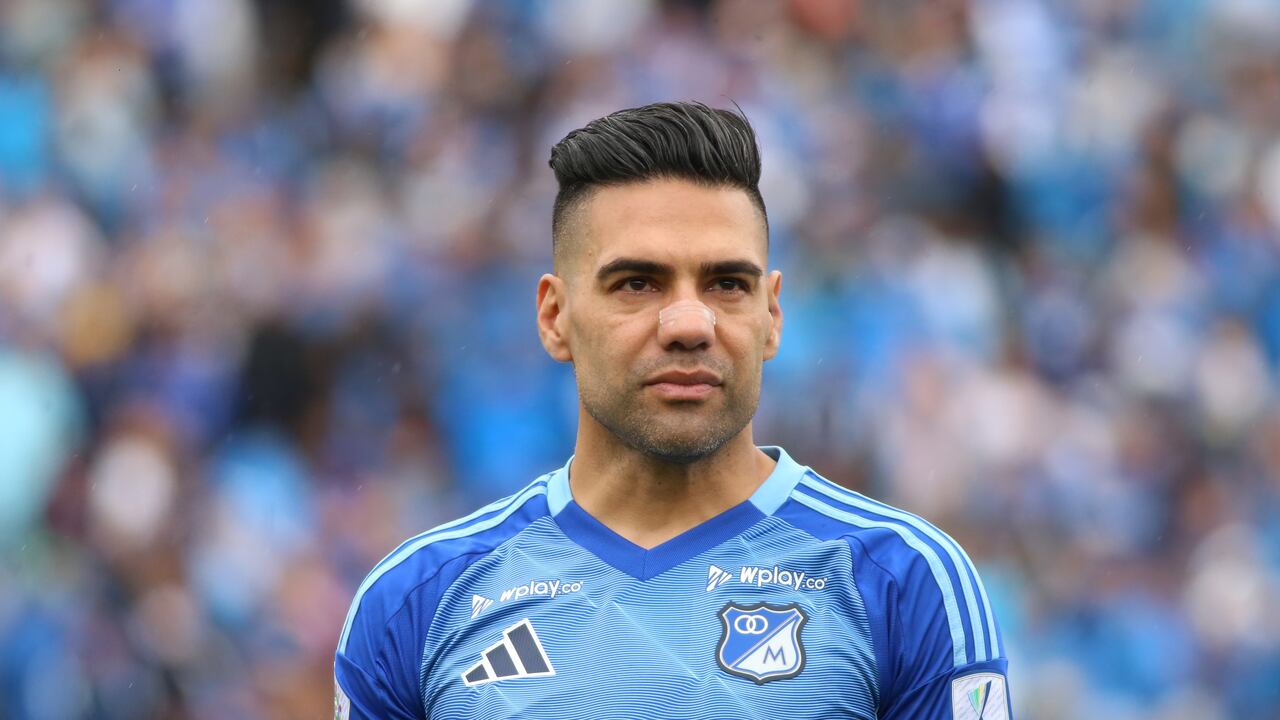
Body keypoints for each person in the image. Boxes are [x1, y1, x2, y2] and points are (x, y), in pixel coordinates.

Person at [333, 101, 1010, 719]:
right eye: (637, 283)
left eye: (727, 284)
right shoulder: (416, 602)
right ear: (555, 316)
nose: (689, 323)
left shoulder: (903, 582)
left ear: (772, 317)